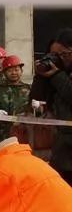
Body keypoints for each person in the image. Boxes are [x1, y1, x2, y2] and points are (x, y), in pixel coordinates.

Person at [31, 28, 72, 185]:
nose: (59, 59)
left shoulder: (58, 76)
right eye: (54, 55)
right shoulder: (57, 74)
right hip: (62, 154)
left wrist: (56, 75)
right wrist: (40, 76)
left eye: (63, 54)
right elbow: (36, 100)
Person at [0, 55, 31, 141]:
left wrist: (38, 107)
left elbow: (37, 112)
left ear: (21, 71)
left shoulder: (29, 89)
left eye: (16, 70)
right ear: (4, 72)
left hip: (24, 133)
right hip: (1, 135)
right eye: (10, 70)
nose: (14, 73)